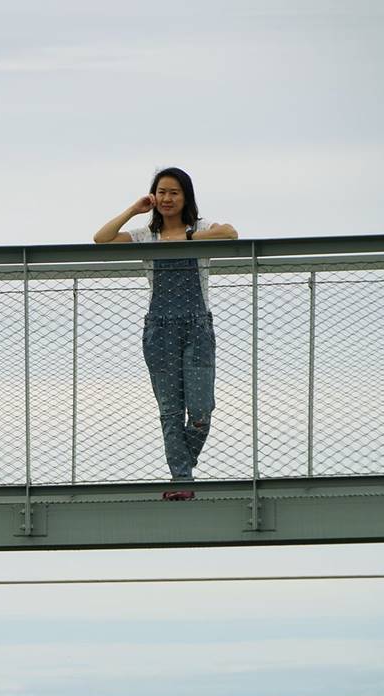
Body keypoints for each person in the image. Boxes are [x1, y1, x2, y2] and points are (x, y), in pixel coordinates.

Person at [93, 167, 238, 498]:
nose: (167, 198)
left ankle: (183, 471)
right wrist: (134, 209)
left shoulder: (201, 228)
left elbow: (230, 233)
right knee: (171, 412)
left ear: (186, 196)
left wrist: (186, 239)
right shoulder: (146, 236)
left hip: (197, 327)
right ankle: (182, 482)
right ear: (153, 196)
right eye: (161, 192)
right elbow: (101, 238)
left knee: (201, 410)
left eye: (174, 192)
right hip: (159, 330)